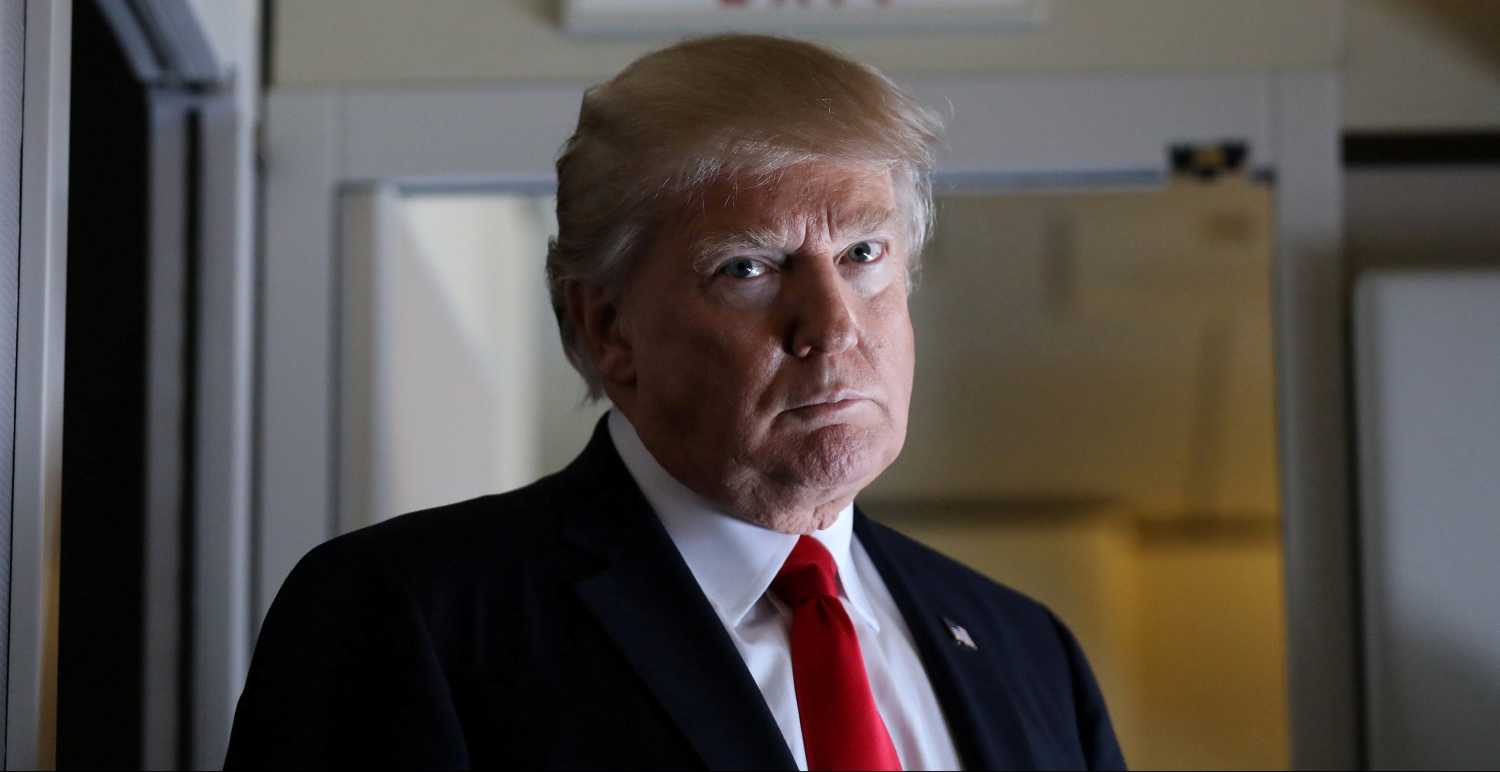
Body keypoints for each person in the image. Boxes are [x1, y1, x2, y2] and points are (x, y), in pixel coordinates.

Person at [224, 34, 1125, 771]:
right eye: (749, 267)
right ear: (609, 327)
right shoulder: (411, 617)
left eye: (864, 255)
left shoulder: (1028, 653)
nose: (832, 326)